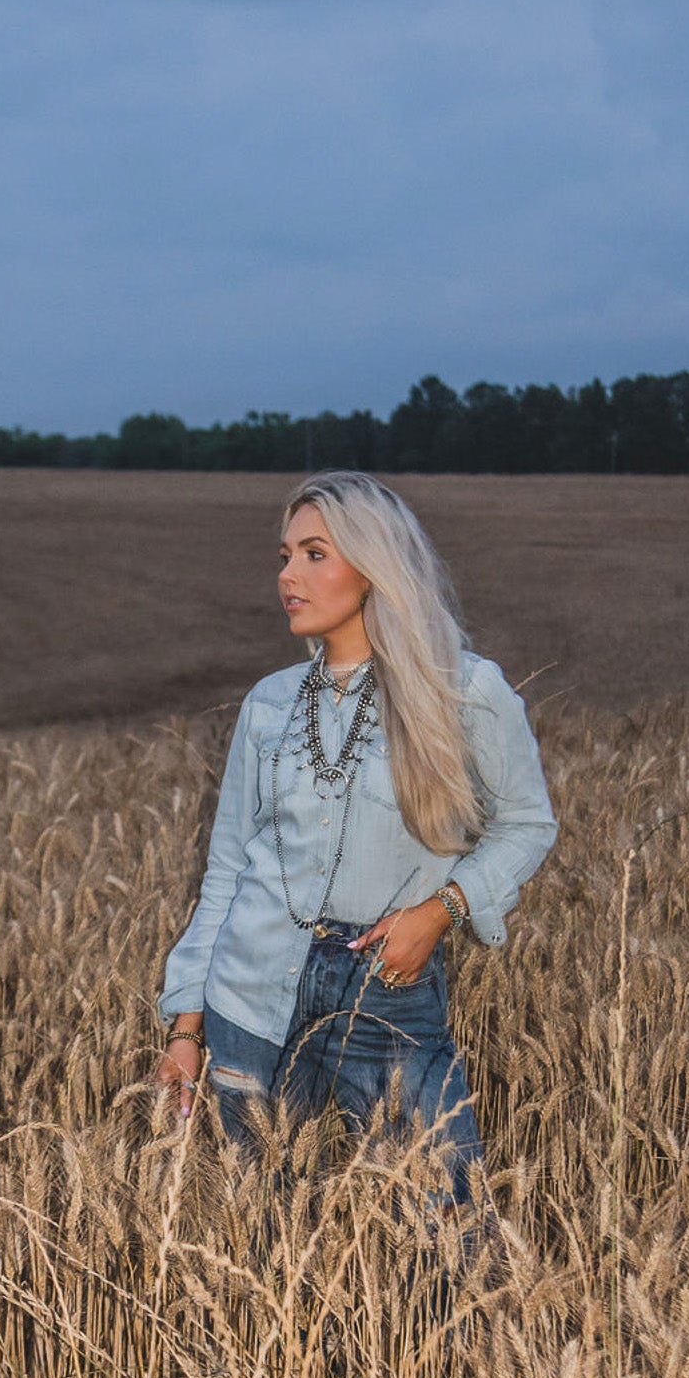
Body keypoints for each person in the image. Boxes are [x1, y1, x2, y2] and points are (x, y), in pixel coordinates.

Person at [154, 471, 556, 1203]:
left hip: (387, 983)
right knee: (266, 1238)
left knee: (448, 1229)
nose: (287, 575)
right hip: (251, 994)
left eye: (313, 554)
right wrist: (186, 1024)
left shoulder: (462, 691)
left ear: (373, 567)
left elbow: (526, 825)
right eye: (283, 556)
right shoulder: (270, 703)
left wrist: (439, 913)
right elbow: (227, 870)